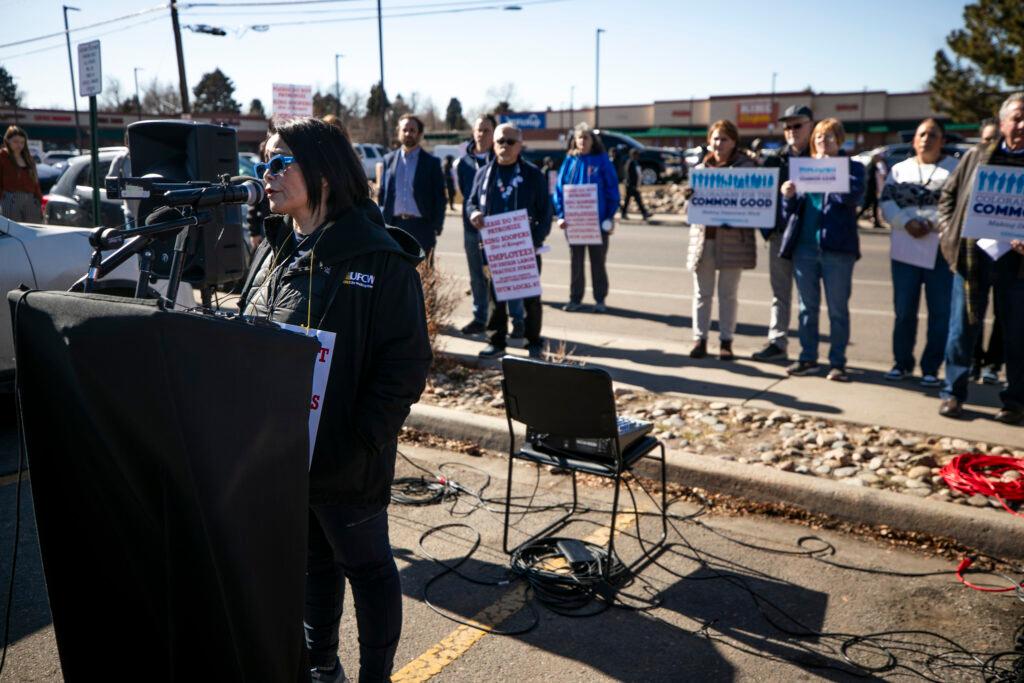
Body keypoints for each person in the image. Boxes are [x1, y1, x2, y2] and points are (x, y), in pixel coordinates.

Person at [238, 117, 432, 682]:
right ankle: (322, 666)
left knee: (367, 568)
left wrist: (362, 439)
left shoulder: (379, 257)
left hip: (349, 460)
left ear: (321, 171)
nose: (265, 176)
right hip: (285, 455)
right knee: (311, 563)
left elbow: (405, 365)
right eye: (262, 164)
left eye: (279, 163)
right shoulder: (276, 250)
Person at [936, 92, 1024, 424]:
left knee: (1017, 335)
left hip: (1016, 265)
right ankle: (953, 394)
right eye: (1016, 118)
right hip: (973, 258)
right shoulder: (976, 156)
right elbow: (948, 196)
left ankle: (1014, 401)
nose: (1021, 125)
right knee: (962, 331)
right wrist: (949, 234)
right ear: (1002, 123)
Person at [779, 117, 865, 381]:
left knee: (838, 310)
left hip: (837, 250)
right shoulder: (803, 168)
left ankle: (837, 362)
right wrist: (788, 196)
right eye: (818, 137)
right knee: (807, 307)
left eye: (829, 137)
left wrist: (830, 176)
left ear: (839, 141)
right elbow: (790, 214)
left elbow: (854, 197)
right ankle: (808, 358)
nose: (823, 142)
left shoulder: (853, 168)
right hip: (805, 249)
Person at [879, 118, 958, 388]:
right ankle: (901, 363)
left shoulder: (955, 170)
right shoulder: (899, 170)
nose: (926, 139)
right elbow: (886, 202)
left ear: (942, 141)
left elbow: (959, 206)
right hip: (905, 251)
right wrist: (906, 222)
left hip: (939, 252)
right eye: (921, 134)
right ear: (914, 140)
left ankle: (930, 368)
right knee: (904, 311)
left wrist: (932, 224)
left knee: (940, 312)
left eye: (933, 134)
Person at [466, 122, 552, 359]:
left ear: (520, 145)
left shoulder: (533, 175)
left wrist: (534, 240)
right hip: (495, 247)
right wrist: (473, 212)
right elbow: (471, 202)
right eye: (500, 141)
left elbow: (546, 213)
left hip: (526, 247)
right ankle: (496, 341)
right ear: (493, 144)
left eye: (510, 141)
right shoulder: (484, 174)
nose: (504, 145)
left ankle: (532, 340)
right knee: (496, 296)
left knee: (530, 298)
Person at [683, 120, 757, 360]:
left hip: (733, 242)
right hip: (705, 241)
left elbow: (756, 204)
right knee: (702, 294)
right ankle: (700, 339)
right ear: (709, 141)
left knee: (728, 294)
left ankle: (726, 341)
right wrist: (689, 199)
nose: (719, 143)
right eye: (715, 138)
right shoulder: (701, 171)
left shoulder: (746, 169)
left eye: (724, 139)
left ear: (734, 141)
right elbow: (690, 213)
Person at [454, 115, 526, 336]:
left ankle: (515, 320)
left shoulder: (503, 159)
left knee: (506, 277)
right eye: (478, 130)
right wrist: (473, 214)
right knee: (477, 276)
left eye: (486, 130)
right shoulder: (463, 163)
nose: (481, 134)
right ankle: (480, 317)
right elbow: (465, 197)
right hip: (473, 230)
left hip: (501, 231)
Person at [754, 104, 813, 362]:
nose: (791, 131)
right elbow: (760, 197)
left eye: (797, 125)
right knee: (780, 293)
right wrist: (768, 231)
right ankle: (777, 343)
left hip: (810, 238)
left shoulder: (823, 160)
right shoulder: (774, 159)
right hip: (780, 236)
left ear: (811, 126)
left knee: (808, 298)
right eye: (787, 127)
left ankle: (808, 351)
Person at [552, 122, 620, 313]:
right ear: (575, 140)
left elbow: (612, 189)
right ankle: (575, 299)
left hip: (597, 224)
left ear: (593, 140)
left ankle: (600, 300)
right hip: (575, 225)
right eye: (579, 137)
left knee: (598, 263)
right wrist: (561, 215)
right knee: (576, 262)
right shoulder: (569, 161)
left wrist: (609, 216)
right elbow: (559, 190)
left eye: (586, 137)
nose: (582, 141)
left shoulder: (602, 161)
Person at [377, 114, 447, 256]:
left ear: (419, 134)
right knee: (394, 274)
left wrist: (436, 226)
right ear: (399, 132)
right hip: (393, 226)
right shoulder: (388, 160)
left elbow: (440, 197)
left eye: (412, 130)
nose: (408, 133)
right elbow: (383, 193)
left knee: (423, 276)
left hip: (421, 227)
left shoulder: (431, 163)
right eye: (405, 130)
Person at [970, 116, 1004, 384]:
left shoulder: (1014, 167)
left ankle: (992, 365)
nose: (992, 144)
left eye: (996, 138)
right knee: (973, 314)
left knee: (1003, 316)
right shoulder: (971, 163)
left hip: (1009, 257)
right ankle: (973, 361)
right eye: (987, 139)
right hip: (975, 254)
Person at [0, 125, 43, 222]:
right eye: (15, 142)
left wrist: (39, 200)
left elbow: (35, 182)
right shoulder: (2, 157)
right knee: (14, 232)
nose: (19, 145)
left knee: (33, 231)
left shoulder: (28, 159)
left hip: (30, 199)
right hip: (10, 199)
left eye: (22, 142)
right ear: (7, 141)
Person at [620, 148, 651, 221]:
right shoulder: (630, 162)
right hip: (630, 185)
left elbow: (638, 174)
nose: (638, 156)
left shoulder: (635, 162)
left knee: (634, 200)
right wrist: (631, 184)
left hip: (634, 185)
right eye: (636, 154)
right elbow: (628, 174)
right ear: (633, 155)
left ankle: (643, 213)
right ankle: (644, 213)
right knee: (632, 200)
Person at [858, 153, 885, 228]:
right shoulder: (871, 167)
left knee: (874, 206)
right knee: (866, 206)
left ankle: (876, 222)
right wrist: (874, 189)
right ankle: (855, 218)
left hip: (872, 190)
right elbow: (870, 180)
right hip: (870, 190)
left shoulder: (874, 166)